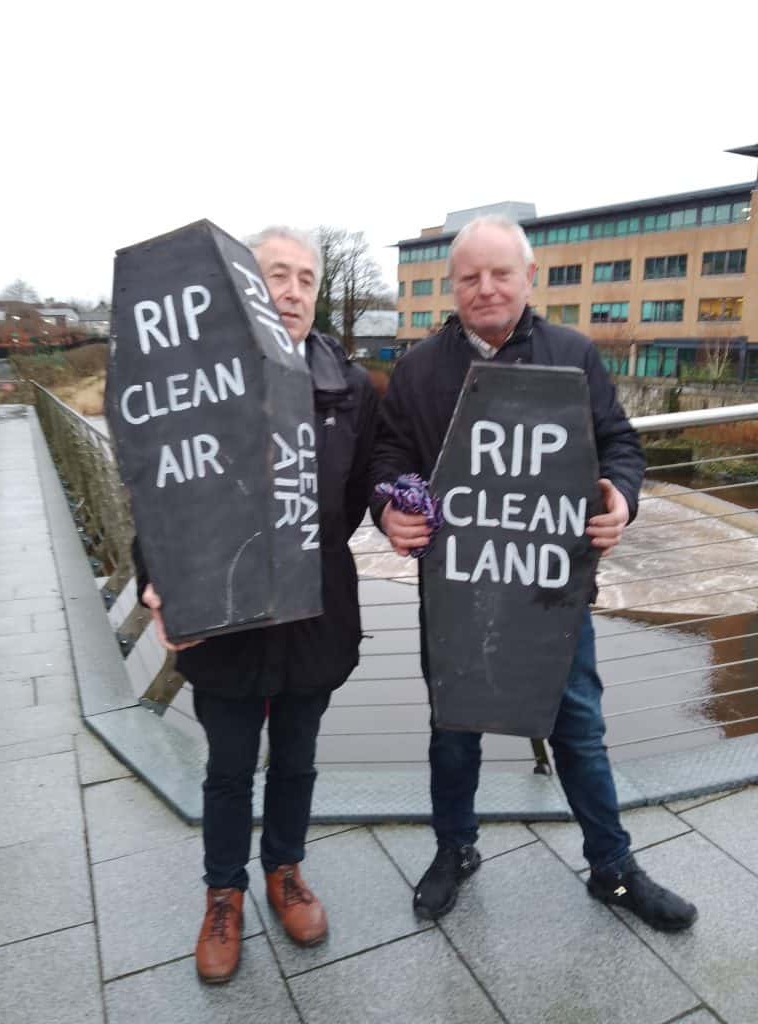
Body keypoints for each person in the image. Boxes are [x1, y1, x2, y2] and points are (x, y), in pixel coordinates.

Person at [371, 215, 697, 933]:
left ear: (529, 277)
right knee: (453, 727)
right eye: (469, 277)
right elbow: (388, 458)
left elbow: (620, 446)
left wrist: (622, 498)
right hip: (458, 590)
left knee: (578, 727)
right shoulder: (420, 369)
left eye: (500, 273)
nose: (485, 288)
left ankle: (612, 867)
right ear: (451, 286)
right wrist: (386, 507)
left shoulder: (574, 355)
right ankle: (455, 849)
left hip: (553, 591)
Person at [134, 226, 379, 983]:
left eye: (307, 278)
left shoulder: (353, 390)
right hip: (226, 614)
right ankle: (224, 893)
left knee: (298, 759)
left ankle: (285, 870)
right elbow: (157, 494)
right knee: (229, 766)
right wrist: (157, 572)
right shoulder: (197, 381)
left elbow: (362, 492)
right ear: (247, 287)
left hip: (314, 614)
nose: (294, 291)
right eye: (278, 275)